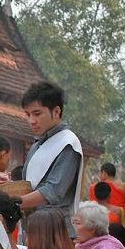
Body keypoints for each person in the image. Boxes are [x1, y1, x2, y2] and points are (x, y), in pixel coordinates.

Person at [19, 82, 83, 237]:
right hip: (34, 228)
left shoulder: (68, 144)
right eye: (28, 115)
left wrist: (14, 201)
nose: (31, 121)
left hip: (57, 233)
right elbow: (30, 183)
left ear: (56, 111)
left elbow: (52, 192)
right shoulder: (38, 143)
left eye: (37, 113)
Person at [89, 162, 125, 236]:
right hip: (119, 223)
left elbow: (91, 208)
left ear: (104, 173)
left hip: (100, 223)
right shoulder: (123, 186)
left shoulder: (94, 187)